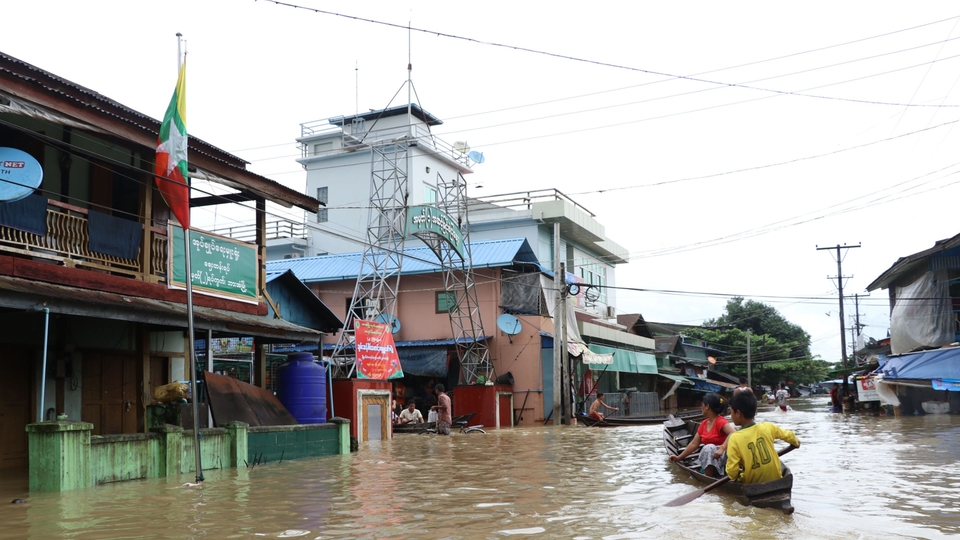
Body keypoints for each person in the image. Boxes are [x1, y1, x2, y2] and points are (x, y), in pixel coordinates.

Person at [725, 391, 800, 484]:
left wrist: (740, 472)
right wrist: (796, 442)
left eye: (731, 412)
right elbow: (790, 436)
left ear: (738, 413)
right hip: (777, 479)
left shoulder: (734, 438)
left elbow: (732, 473)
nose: (731, 415)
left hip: (752, 485)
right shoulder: (767, 426)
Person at [669, 393, 736, 477]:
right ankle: (709, 476)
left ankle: (709, 477)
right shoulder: (703, 424)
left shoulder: (720, 421)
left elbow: (734, 433)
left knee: (708, 448)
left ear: (707, 406)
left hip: (724, 457)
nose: (701, 407)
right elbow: (693, 444)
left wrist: (722, 448)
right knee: (707, 449)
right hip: (711, 458)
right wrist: (679, 458)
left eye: (702, 405)